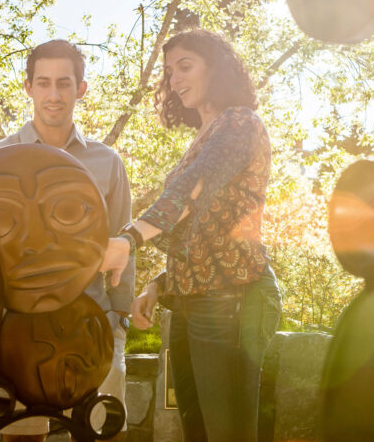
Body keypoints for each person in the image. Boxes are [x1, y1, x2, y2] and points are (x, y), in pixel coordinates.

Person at [101, 29, 283, 442]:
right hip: (190, 303)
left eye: (185, 66)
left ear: (215, 68)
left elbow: (191, 190)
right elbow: (200, 228)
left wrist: (128, 240)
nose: (174, 79)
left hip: (233, 299)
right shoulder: (203, 135)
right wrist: (160, 285)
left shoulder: (240, 123)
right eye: (169, 71)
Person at [0, 39, 134, 442]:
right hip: (17, 324)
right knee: (23, 434)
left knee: (103, 433)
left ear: (81, 89)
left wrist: (120, 318)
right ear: (28, 87)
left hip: (92, 320)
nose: (54, 95)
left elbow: (123, 238)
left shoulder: (107, 162)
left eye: (64, 83)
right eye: (44, 83)